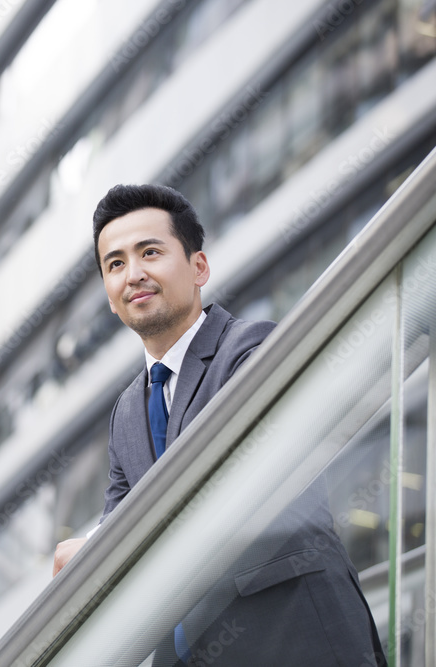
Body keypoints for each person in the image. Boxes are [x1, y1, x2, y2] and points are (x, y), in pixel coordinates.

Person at [52, 184, 386, 667]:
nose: (134, 274)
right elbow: (120, 532)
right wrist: (93, 556)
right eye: (116, 264)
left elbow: (233, 489)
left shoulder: (251, 351)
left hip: (297, 643)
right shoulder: (127, 413)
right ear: (109, 295)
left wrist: (98, 548)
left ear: (199, 267)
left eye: (150, 252)